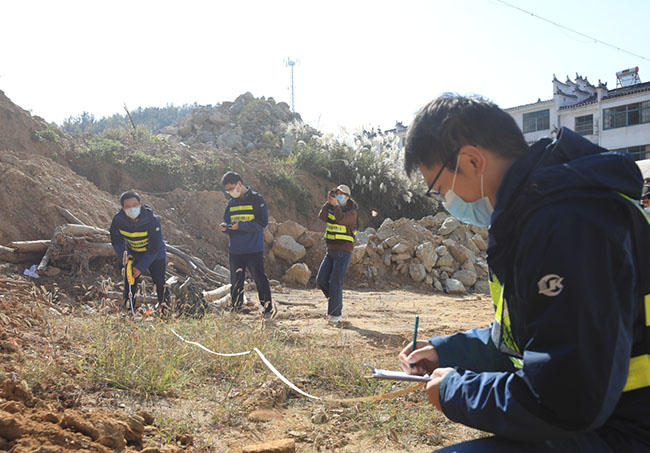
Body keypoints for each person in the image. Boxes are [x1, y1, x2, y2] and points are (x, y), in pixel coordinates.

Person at [397, 93, 650, 451]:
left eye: (440, 189)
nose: (446, 202)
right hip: (607, 420)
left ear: (471, 161)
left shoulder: (569, 225)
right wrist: (447, 352)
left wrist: (457, 390)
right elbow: (532, 338)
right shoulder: (536, 217)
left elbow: (564, 400)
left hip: (626, 430)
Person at [220, 171, 276, 319]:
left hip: (253, 249)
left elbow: (262, 223)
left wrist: (241, 226)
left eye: (231, 188)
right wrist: (226, 228)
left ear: (239, 184)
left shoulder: (257, 199)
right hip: (235, 250)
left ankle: (267, 309)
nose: (230, 192)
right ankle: (236, 309)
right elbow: (228, 221)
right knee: (235, 281)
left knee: (259, 279)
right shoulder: (231, 203)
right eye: (228, 190)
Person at [109, 190, 169, 311]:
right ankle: (128, 310)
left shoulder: (152, 220)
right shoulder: (118, 220)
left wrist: (141, 267)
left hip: (155, 254)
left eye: (135, 205)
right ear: (123, 208)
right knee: (129, 282)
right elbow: (116, 241)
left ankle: (165, 311)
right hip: (134, 253)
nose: (132, 208)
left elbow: (154, 248)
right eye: (128, 206)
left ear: (140, 204)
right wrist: (124, 254)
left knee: (160, 282)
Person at [316, 184, 358, 325]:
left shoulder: (351, 213)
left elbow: (340, 219)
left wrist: (335, 205)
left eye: (341, 194)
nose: (338, 196)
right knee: (321, 280)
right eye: (337, 193)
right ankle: (336, 301)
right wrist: (329, 203)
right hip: (330, 250)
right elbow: (322, 216)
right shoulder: (333, 208)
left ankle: (336, 316)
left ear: (347, 197)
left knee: (335, 283)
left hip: (344, 251)